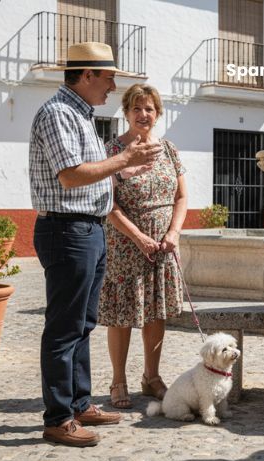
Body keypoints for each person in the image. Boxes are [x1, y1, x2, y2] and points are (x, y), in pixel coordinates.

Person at [29, 42, 163, 447]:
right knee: (63, 329)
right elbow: (70, 175)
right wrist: (123, 161)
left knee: (84, 325)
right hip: (67, 232)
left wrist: (123, 172)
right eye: (108, 78)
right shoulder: (57, 114)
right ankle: (57, 417)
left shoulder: (82, 115)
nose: (112, 86)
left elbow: (92, 176)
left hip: (88, 230)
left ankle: (80, 403)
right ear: (86, 75)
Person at [98, 83, 188, 409]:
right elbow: (108, 204)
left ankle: (151, 377)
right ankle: (118, 380)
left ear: (157, 113)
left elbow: (181, 197)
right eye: (137, 108)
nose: (143, 114)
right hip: (125, 244)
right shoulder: (112, 152)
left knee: (156, 312)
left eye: (149, 108)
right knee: (122, 314)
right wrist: (139, 237)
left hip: (163, 245)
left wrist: (174, 233)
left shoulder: (169, 150)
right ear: (126, 112)